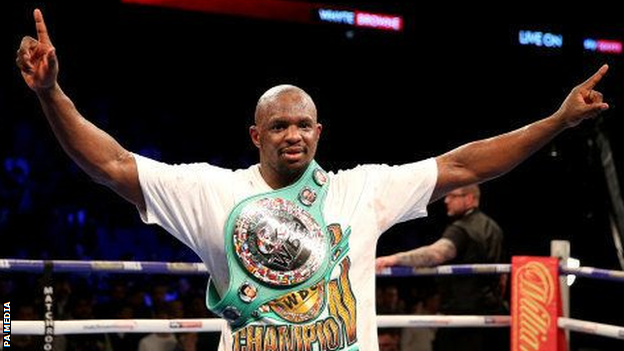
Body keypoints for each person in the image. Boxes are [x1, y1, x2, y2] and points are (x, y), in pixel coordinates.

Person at [15, 8, 609, 351]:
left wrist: (557, 121)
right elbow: (114, 165)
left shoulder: (363, 190)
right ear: (256, 135)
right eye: (278, 126)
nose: (292, 135)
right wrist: (51, 94)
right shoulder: (214, 191)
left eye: (303, 125)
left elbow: (466, 164)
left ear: (319, 132)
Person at [376, 184, 509, 351]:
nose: (446, 200)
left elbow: (436, 254)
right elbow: (503, 277)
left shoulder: (461, 228)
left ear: (469, 199)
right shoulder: (494, 228)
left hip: (462, 317)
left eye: (453, 196)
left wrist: (395, 259)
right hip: (491, 315)